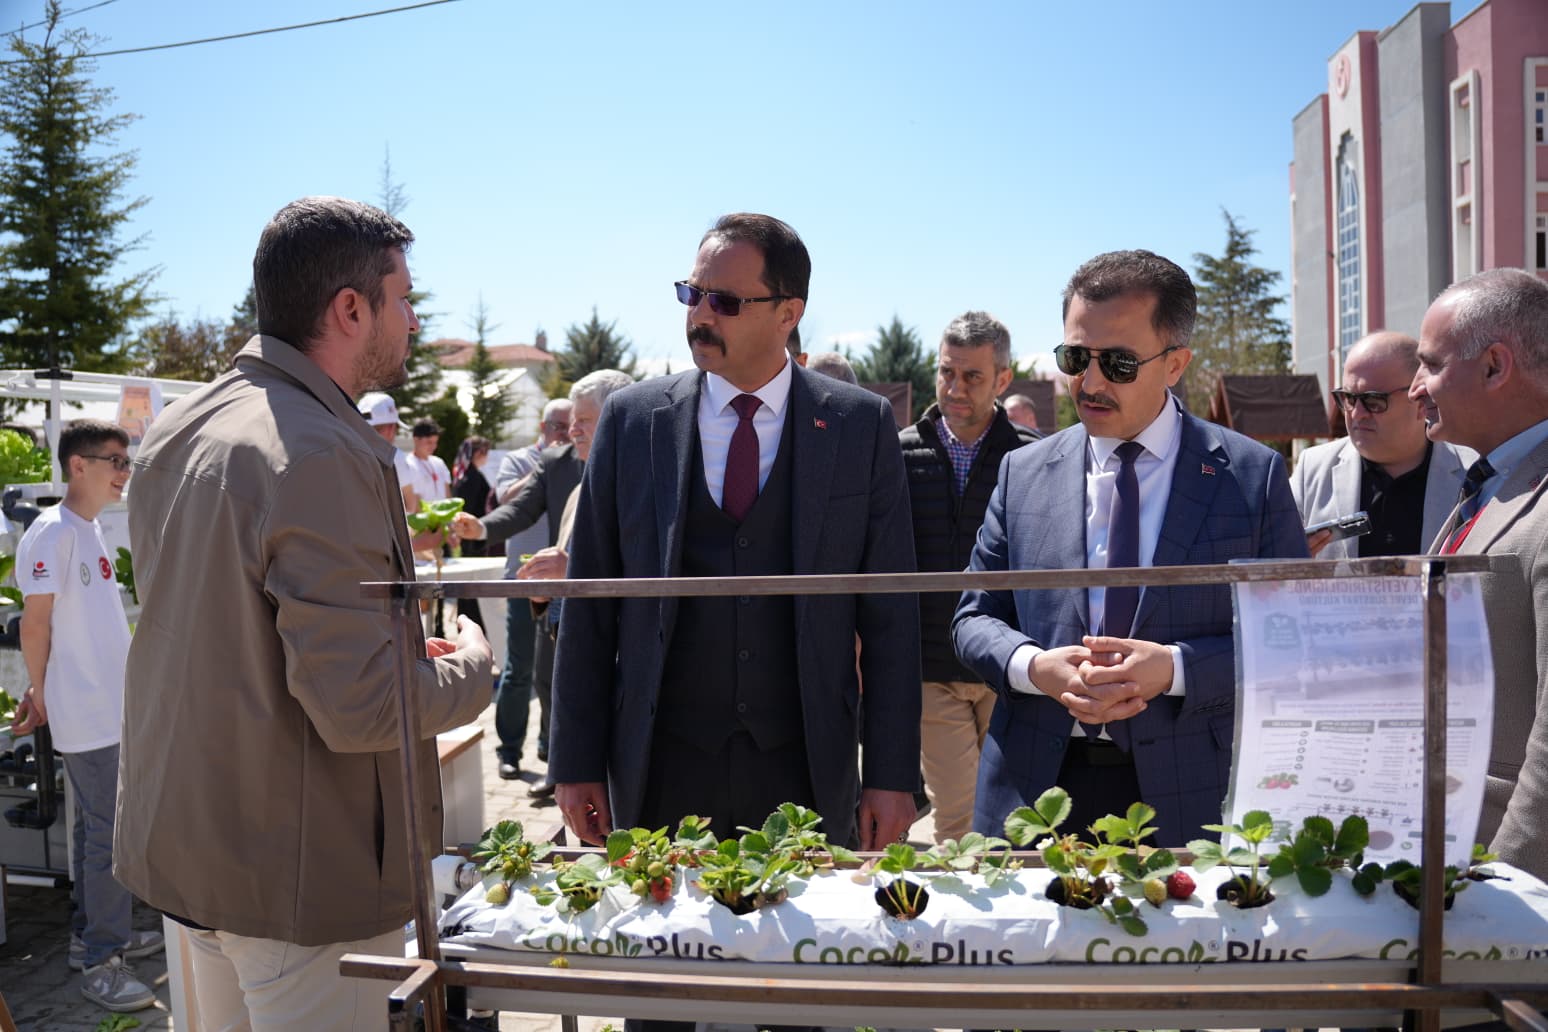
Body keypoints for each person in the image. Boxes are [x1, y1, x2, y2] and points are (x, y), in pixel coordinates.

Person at [115, 196, 493, 1030]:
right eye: (403, 298)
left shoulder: (182, 425)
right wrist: (470, 665)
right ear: (349, 309)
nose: (414, 318)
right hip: (299, 880)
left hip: (194, 855)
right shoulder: (317, 449)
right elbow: (362, 706)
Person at [548, 212, 921, 854]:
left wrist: (891, 775)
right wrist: (575, 760)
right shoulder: (632, 421)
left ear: (788, 312)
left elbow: (890, 616)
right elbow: (590, 607)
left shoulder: (859, 426)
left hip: (806, 766)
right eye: (691, 294)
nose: (700, 315)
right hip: (660, 766)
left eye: (723, 300)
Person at [953, 249, 1308, 846]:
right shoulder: (1022, 473)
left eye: (1117, 363)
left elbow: (1293, 640)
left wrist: (1173, 669)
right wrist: (1034, 667)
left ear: (1175, 364)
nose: (1088, 383)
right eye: (1074, 358)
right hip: (1032, 796)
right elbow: (972, 618)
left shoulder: (1252, 477)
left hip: (1192, 798)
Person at [11, 420, 163, 1012]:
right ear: (79, 465)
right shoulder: (53, 532)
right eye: (115, 461)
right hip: (85, 710)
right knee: (108, 834)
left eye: (127, 462)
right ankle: (104, 960)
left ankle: (89, 938)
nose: (125, 472)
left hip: (107, 707)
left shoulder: (87, 528)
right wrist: (40, 691)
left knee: (95, 829)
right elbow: (35, 622)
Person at [1409, 267, 1548, 881]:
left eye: (1430, 365)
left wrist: (1511, 890)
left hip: (1505, 879)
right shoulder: (1490, 487)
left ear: (1495, 366)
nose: (1415, 388)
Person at [899, 312, 1039, 844]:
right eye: (946, 373)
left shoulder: (1031, 457)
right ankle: (959, 928)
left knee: (1013, 822)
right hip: (931, 665)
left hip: (1011, 666)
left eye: (972, 376)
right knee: (956, 819)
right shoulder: (899, 452)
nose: (955, 388)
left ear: (1003, 379)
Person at [510, 369, 638, 799]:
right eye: (571, 421)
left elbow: (650, 577)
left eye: (585, 419)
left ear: (619, 418)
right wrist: (544, 593)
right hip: (568, 643)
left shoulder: (643, 487)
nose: (572, 429)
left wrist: (573, 568)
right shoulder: (580, 489)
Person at [452, 400, 583, 783]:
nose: (569, 431)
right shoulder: (551, 462)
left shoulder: (607, 458)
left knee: (557, 679)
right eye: (561, 424)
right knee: (523, 672)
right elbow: (519, 507)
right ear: (543, 426)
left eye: (577, 422)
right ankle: (513, 752)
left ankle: (554, 760)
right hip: (531, 584)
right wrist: (481, 529)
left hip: (579, 588)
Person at [1291, 331, 1474, 557]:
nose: (1357, 413)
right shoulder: (1313, 469)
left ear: (1420, 400)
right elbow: (1273, 564)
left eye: (1373, 401)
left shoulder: (1473, 473)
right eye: (1349, 398)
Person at [400, 417, 450, 512]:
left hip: (442, 522)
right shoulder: (407, 464)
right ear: (416, 439)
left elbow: (447, 494)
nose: (434, 446)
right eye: (429, 442)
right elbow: (413, 501)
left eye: (435, 442)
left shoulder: (439, 462)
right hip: (420, 523)